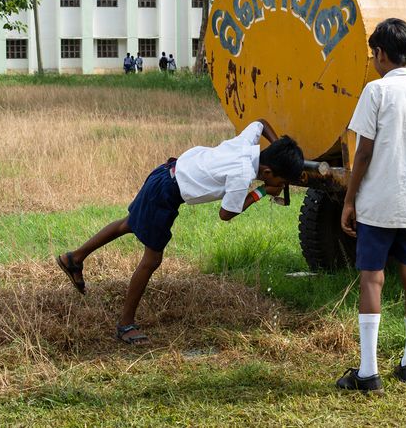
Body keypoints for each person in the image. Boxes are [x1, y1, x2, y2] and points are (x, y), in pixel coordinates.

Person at [55, 119, 304, 345]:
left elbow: (260, 122)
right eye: (281, 182)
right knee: (152, 259)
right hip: (165, 195)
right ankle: (125, 324)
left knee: (128, 224)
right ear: (268, 173)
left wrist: (279, 146)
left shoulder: (244, 145)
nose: (280, 187)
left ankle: (74, 258)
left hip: (164, 174)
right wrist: (262, 192)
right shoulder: (242, 175)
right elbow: (226, 214)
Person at [337, 18, 406, 393]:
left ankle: (368, 371)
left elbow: (364, 151)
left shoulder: (375, 91)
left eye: (373, 54)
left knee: (372, 278)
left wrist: (349, 199)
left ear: (380, 54)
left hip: (377, 203)